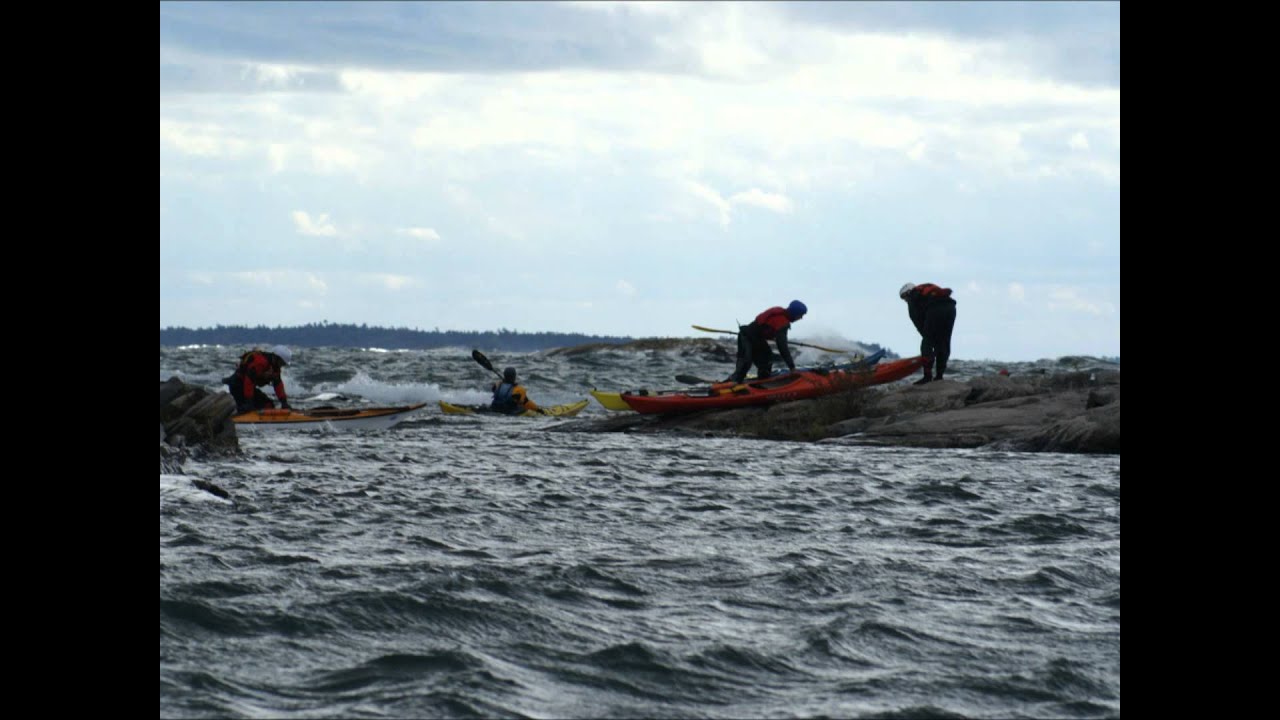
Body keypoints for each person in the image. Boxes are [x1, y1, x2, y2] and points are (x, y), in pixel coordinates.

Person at [725, 300, 807, 383]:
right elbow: (782, 347)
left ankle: (762, 382)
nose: (801, 318)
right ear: (794, 313)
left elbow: (765, 326)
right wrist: (792, 368)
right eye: (800, 315)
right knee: (746, 362)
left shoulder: (779, 312)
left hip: (756, 338)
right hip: (747, 336)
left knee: (767, 360)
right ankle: (732, 382)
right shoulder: (782, 322)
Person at [899, 282, 957, 384]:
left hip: (935, 309)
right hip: (951, 308)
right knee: (944, 343)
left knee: (927, 343)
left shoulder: (912, 299)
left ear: (908, 293)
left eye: (904, 297)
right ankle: (939, 376)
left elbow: (918, 323)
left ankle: (927, 376)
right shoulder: (926, 289)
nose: (905, 300)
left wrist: (928, 339)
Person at [226, 345, 292, 413]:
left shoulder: (275, 368)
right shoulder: (260, 362)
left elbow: (278, 385)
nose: (281, 366)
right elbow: (249, 381)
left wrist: (284, 402)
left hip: (247, 388)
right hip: (237, 386)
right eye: (281, 363)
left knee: (268, 405)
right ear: (276, 358)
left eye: (283, 364)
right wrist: (249, 401)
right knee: (246, 408)